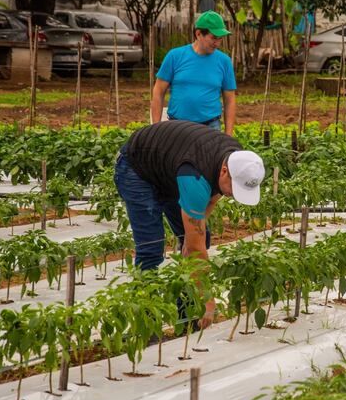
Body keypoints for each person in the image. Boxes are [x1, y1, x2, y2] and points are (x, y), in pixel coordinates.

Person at [114, 120, 265, 327]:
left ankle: (186, 318)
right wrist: (207, 296)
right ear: (224, 171)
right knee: (151, 249)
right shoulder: (195, 176)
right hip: (137, 169)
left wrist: (192, 239)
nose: (232, 195)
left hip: (171, 168)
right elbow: (195, 247)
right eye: (234, 189)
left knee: (199, 239)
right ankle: (145, 325)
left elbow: (214, 196)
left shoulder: (236, 159)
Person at [151, 11, 237, 134]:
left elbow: (230, 100)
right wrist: (156, 128)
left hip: (210, 128)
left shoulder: (224, 61)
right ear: (198, 34)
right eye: (213, 38)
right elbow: (158, 91)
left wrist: (228, 135)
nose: (217, 43)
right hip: (177, 127)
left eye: (220, 39)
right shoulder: (175, 56)